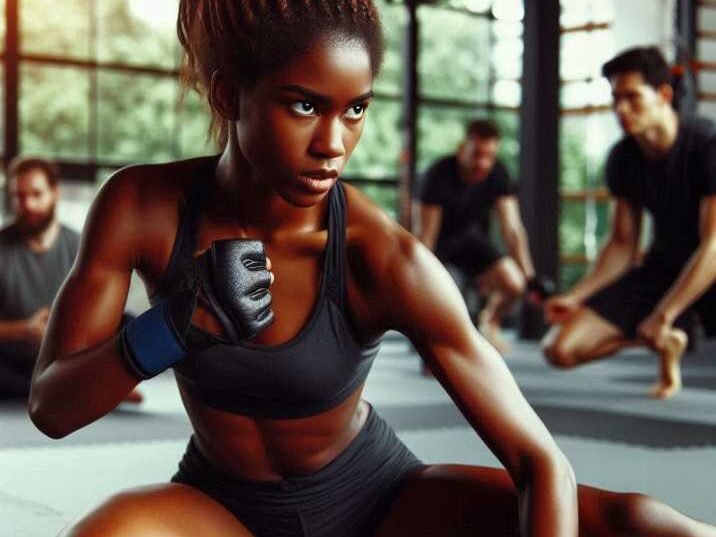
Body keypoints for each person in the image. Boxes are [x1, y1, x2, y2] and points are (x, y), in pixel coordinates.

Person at [28, 4, 716, 536]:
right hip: (218, 507)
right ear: (229, 92)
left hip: (376, 502)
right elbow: (52, 407)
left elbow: (542, 464)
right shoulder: (141, 206)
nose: (334, 143)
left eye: (355, 109)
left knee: (644, 526)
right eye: (305, 105)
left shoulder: (383, 255)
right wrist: (174, 326)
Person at [542, 46, 716, 400]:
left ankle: (669, 327)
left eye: (632, 97)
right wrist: (577, 295)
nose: (620, 109)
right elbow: (622, 245)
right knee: (559, 349)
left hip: (710, 265)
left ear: (663, 95)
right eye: (615, 98)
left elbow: (713, 243)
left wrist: (665, 313)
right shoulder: (623, 157)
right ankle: (666, 343)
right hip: (663, 268)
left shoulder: (708, 146)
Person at [0, 157, 142, 404]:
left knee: (129, 324)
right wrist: (25, 330)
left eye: (36, 194)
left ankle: (82, 386)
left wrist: (59, 326)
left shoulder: (82, 245)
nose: (27, 204)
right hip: (12, 361)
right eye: (18, 196)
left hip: (67, 356)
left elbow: (101, 313)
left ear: (54, 193)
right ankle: (91, 390)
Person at [417, 119, 540, 354]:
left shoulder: (498, 173)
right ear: (462, 149)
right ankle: (433, 344)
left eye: (489, 156)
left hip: (469, 241)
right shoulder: (438, 175)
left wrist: (529, 277)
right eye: (477, 155)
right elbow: (426, 237)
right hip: (439, 245)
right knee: (446, 295)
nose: (483, 163)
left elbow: (512, 229)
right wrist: (423, 281)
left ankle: (489, 322)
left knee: (514, 282)